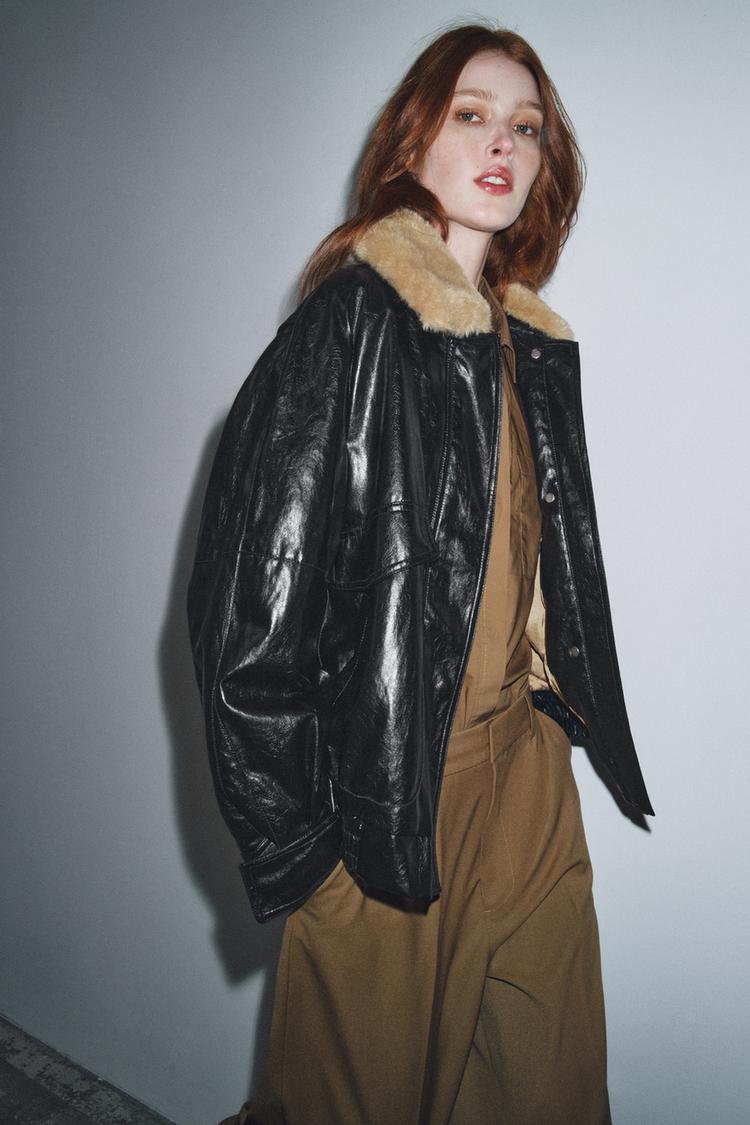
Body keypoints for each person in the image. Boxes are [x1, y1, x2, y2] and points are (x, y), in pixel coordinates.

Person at [187, 22, 654, 1125]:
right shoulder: (349, 327)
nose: (503, 143)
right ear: (414, 142)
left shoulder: (526, 346)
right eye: (471, 115)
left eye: (526, 128)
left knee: (551, 1088)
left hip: (528, 778)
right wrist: (307, 856)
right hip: (393, 798)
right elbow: (243, 623)